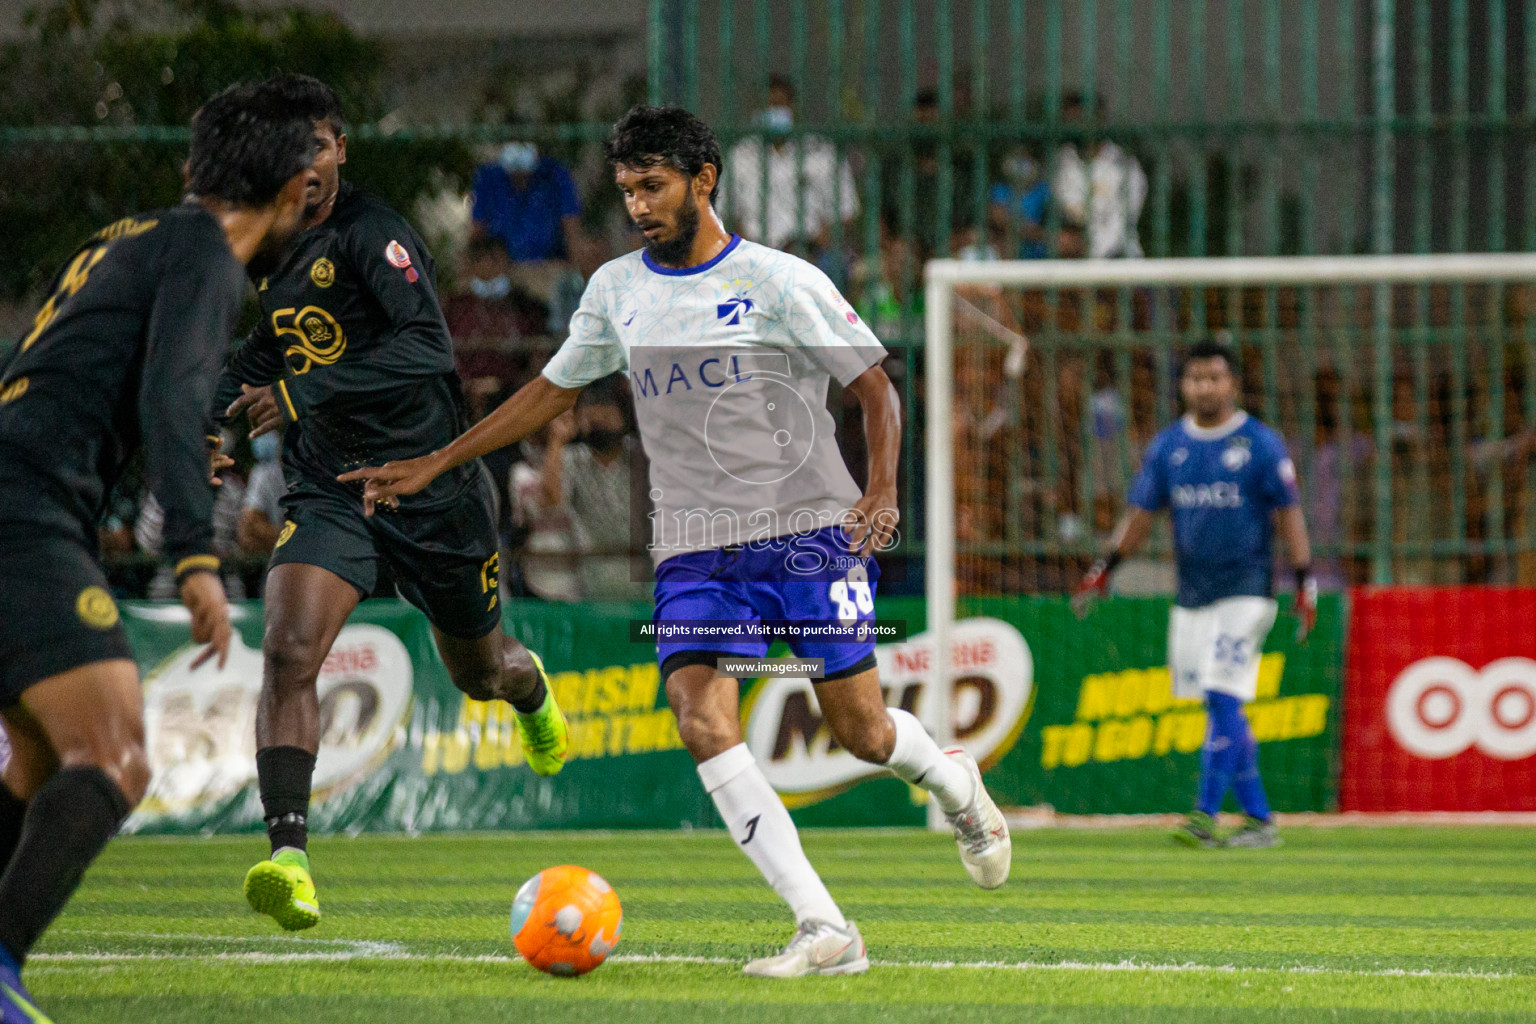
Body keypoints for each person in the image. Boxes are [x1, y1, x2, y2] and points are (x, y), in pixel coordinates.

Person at [339, 104, 1013, 978]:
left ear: (704, 181)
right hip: (696, 546)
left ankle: (958, 786)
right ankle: (823, 926)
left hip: (810, 531)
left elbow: (875, 389)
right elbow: (548, 392)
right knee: (701, 719)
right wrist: (438, 461)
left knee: (864, 734)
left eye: (653, 186)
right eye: (626, 190)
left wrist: (880, 489)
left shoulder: (779, 281)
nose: (638, 205)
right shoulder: (616, 289)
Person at [211, 74, 568, 934]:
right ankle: (288, 857)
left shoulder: (375, 234)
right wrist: (217, 413)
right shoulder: (268, 247)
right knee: (291, 650)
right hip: (332, 489)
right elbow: (268, 345)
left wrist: (299, 393)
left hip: (433, 486)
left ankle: (530, 691)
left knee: (478, 672)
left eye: (321, 142)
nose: (310, 160)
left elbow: (426, 348)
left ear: (340, 151)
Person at [0, 81, 318, 1022]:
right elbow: (173, 399)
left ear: (192, 170)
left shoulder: (131, 237)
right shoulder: (207, 256)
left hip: (18, 497)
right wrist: (194, 557)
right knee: (114, 753)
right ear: (299, 191)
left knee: (35, 758)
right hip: (24, 510)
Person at [1074, 340, 1317, 849]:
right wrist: (1105, 569)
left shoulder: (1259, 443)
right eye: (1196, 378)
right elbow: (1140, 516)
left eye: (1215, 377)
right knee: (1216, 701)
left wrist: (1304, 578)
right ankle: (1260, 820)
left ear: (1232, 384)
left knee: (1223, 692)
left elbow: (1289, 511)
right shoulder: (1168, 447)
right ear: (1183, 386)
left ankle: (1204, 815)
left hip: (1247, 591)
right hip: (1192, 595)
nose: (1206, 386)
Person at [725, 75, 859, 271]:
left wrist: (811, 248)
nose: (772, 111)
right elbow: (726, 215)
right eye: (766, 105)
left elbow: (845, 213)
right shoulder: (739, 156)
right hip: (753, 256)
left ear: (793, 109)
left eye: (778, 104)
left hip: (814, 255)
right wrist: (753, 251)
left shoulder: (822, 153)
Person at [469, 135, 588, 333]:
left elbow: (572, 229)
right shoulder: (489, 177)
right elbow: (476, 233)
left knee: (563, 289)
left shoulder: (555, 175)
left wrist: (575, 269)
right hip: (503, 267)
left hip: (547, 266)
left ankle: (558, 346)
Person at [1052, 92, 1147, 259]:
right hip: (1070, 263)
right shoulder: (1060, 164)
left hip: (1117, 260)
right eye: (1069, 120)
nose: (1074, 126)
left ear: (1099, 120)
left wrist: (1093, 255)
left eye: (1080, 119)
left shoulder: (1124, 167)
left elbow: (1121, 225)